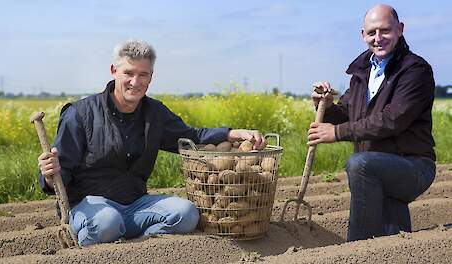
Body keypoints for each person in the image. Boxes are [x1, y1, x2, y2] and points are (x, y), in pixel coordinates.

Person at [38, 39, 267, 246]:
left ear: (151, 77)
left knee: (186, 214)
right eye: (128, 73)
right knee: (107, 221)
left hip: (136, 205)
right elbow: (59, 174)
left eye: (143, 75)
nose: (135, 82)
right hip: (90, 206)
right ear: (113, 71)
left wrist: (231, 134)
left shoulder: (155, 113)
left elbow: (192, 138)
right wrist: (49, 175)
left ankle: (141, 248)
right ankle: (98, 236)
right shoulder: (81, 114)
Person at [309, 4, 436, 241]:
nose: (378, 38)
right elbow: (347, 112)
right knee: (392, 234)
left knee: (361, 164)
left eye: (385, 31)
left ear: (400, 29)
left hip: (413, 166)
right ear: (362, 35)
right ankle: (395, 249)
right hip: (379, 165)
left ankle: (356, 249)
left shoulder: (415, 71)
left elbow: (393, 119)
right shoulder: (362, 73)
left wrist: (336, 132)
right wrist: (324, 106)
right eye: (371, 33)